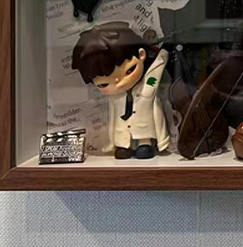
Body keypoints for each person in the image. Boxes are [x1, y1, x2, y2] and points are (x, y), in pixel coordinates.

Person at [71, 22, 170, 159]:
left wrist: (162, 140)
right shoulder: (115, 98)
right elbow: (112, 117)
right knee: (122, 150)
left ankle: (145, 143)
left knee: (144, 150)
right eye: (104, 84)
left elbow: (155, 75)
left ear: (141, 55)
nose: (121, 84)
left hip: (145, 131)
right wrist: (112, 142)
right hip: (121, 132)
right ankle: (124, 146)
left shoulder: (148, 88)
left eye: (130, 70)